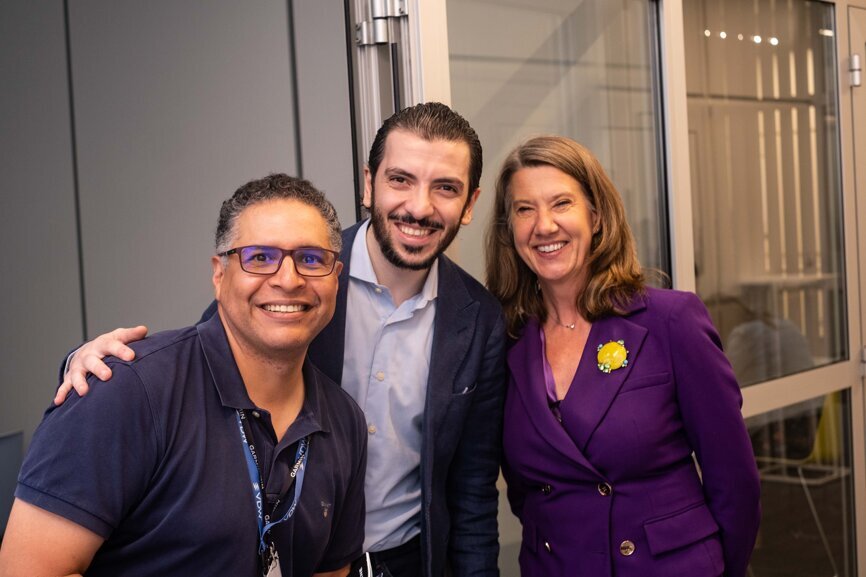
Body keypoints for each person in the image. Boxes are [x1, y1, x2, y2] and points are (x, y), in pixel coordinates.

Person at [52, 103, 507, 577]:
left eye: (445, 188)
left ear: (470, 204)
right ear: (369, 184)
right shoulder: (302, 278)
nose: (419, 206)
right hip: (296, 553)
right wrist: (90, 369)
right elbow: (206, 361)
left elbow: (472, 493)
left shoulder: (479, 322)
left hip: (408, 560)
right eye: (401, 180)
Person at [0, 175, 367, 577]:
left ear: (336, 277)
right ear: (219, 274)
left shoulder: (343, 421)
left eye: (311, 259)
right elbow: (28, 570)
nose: (288, 279)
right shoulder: (126, 391)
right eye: (259, 257)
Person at [485, 136, 761, 577]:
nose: (544, 225)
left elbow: (736, 482)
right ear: (509, 229)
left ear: (595, 216)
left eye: (561, 203)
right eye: (524, 209)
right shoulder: (506, 341)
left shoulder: (670, 322)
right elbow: (528, 494)